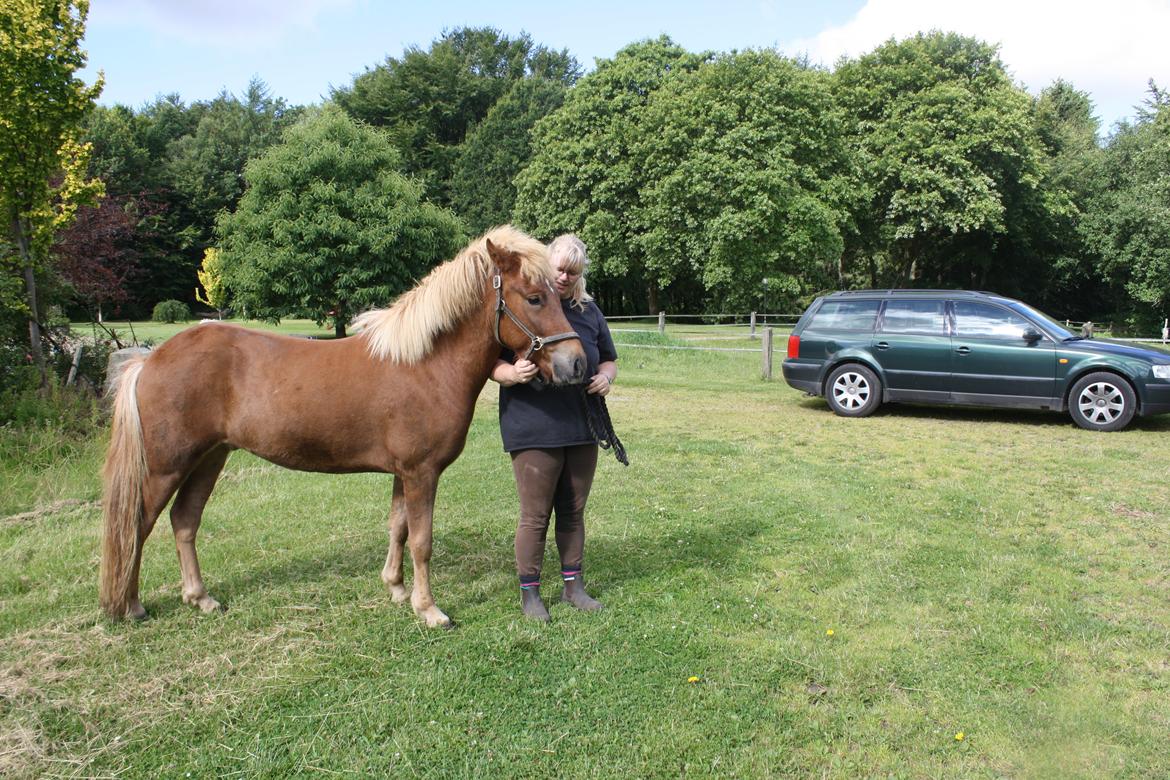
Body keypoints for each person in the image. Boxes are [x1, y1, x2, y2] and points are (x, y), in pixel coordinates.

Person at [490, 234, 618, 622]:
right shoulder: (524, 301)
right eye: (559, 268)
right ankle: (530, 594)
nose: (564, 277)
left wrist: (607, 378)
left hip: (581, 423)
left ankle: (572, 587)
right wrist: (510, 373)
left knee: (573, 511)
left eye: (572, 272)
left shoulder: (588, 311)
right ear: (546, 263)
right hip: (533, 425)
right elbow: (490, 362)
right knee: (535, 515)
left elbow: (609, 358)